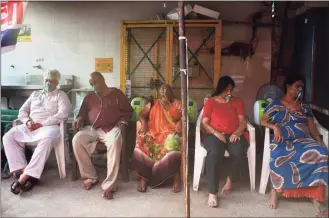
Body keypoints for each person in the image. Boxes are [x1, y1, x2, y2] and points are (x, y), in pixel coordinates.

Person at [261, 74, 328, 216]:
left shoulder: (304, 106)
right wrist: (274, 127)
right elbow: (262, 120)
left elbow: (312, 127)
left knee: (322, 153)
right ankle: (275, 190)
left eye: (301, 88)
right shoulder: (275, 103)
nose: (299, 90)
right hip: (282, 140)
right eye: (297, 86)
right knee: (279, 155)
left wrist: (318, 140)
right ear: (288, 86)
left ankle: (315, 195)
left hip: (303, 140)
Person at [3, 69, 72, 194]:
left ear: (57, 82)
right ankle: (27, 172)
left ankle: (24, 177)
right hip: (31, 126)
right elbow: (22, 111)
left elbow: (63, 114)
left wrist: (42, 124)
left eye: (51, 81)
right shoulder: (35, 94)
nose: (47, 83)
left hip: (49, 127)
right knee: (8, 136)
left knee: (47, 139)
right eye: (46, 80)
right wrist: (28, 122)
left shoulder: (61, 95)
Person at [72, 72, 133, 200]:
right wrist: (79, 119)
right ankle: (90, 176)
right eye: (92, 84)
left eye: (95, 83)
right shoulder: (90, 96)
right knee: (77, 140)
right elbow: (82, 113)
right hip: (93, 129)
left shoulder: (116, 94)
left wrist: (123, 121)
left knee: (115, 140)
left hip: (111, 128)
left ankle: (109, 186)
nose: (94, 86)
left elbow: (128, 111)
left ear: (102, 80)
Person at [201, 76, 248, 207]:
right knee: (214, 153)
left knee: (239, 151)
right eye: (226, 90)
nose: (229, 93)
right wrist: (216, 133)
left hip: (233, 134)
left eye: (231, 90)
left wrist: (237, 132)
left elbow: (242, 121)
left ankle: (230, 180)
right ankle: (212, 192)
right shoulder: (210, 102)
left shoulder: (237, 102)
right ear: (220, 89)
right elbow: (204, 123)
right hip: (214, 134)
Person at [131, 84, 182, 193]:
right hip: (153, 132)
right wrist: (144, 122)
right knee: (142, 141)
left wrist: (181, 122)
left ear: (171, 94)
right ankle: (144, 178)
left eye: (166, 93)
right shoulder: (153, 103)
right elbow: (141, 114)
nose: (163, 95)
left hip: (170, 133)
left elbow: (184, 117)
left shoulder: (177, 104)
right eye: (161, 93)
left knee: (172, 143)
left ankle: (176, 178)